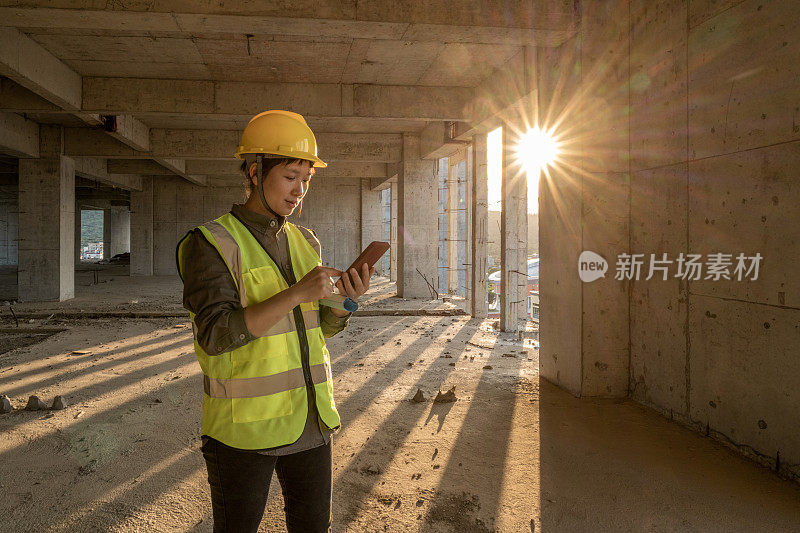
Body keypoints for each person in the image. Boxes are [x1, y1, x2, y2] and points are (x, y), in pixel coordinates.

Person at [176, 110, 374, 532]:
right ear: (253, 171)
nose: (300, 190)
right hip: (244, 433)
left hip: (311, 420)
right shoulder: (210, 243)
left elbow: (319, 326)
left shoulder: (305, 240)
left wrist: (344, 302)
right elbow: (215, 335)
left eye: (307, 178)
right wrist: (298, 291)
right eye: (290, 176)